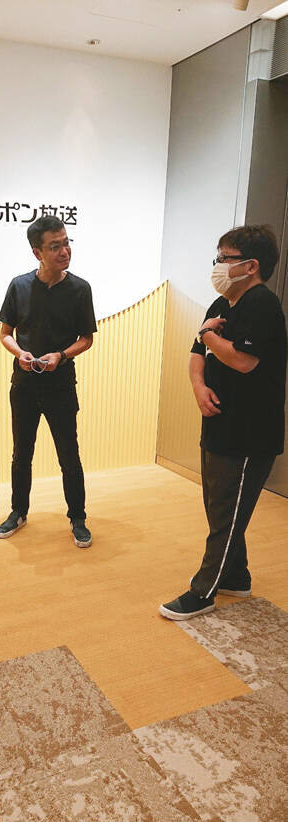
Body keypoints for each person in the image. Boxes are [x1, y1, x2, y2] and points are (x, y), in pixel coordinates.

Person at [160, 225, 286, 620]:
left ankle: (204, 592)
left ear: (250, 266)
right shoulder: (220, 304)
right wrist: (199, 387)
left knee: (226, 514)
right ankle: (237, 576)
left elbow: (244, 360)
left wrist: (209, 337)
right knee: (221, 509)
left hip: (250, 433)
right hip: (218, 423)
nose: (217, 265)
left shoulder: (262, 305)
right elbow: (197, 352)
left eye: (224, 258)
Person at [0, 215, 97, 546]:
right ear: (37, 252)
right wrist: (19, 353)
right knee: (21, 453)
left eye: (66, 243)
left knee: (69, 454)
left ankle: (78, 518)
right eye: (55, 246)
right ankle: (18, 511)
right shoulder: (19, 286)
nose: (64, 251)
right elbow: (5, 333)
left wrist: (61, 356)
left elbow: (86, 339)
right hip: (24, 386)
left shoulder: (80, 289)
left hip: (61, 385)